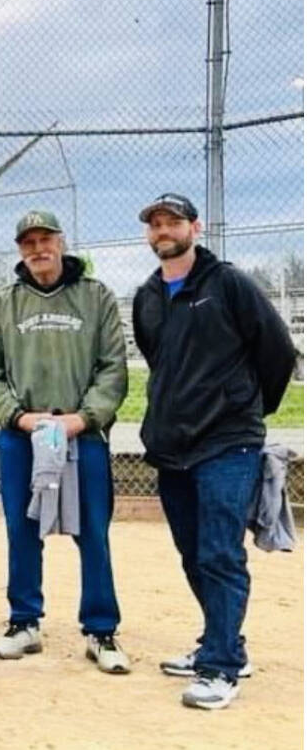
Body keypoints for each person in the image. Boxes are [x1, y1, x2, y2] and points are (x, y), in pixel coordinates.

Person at [131, 193, 296, 710]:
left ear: (194, 228)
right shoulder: (148, 295)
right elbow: (160, 360)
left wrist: (245, 411)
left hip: (227, 442)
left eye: (173, 221)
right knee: (191, 553)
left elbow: (277, 351)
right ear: (148, 234)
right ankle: (227, 644)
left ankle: (221, 667)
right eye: (156, 224)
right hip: (172, 445)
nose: (164, 230)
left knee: (220, 553)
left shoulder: (228, 284)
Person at [0, 209, 130, 673]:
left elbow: (112, 367)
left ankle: (101, 629)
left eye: (46, 239)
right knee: (22, 529)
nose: (38, 249)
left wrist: (83, 419)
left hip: (79, 431)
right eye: (28, 242)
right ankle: (24, 622)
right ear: (20, 249)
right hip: (23, 436)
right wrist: (20, 418)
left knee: (92, 531)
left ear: (62, 242)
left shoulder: (95, 296)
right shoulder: (2, 304)